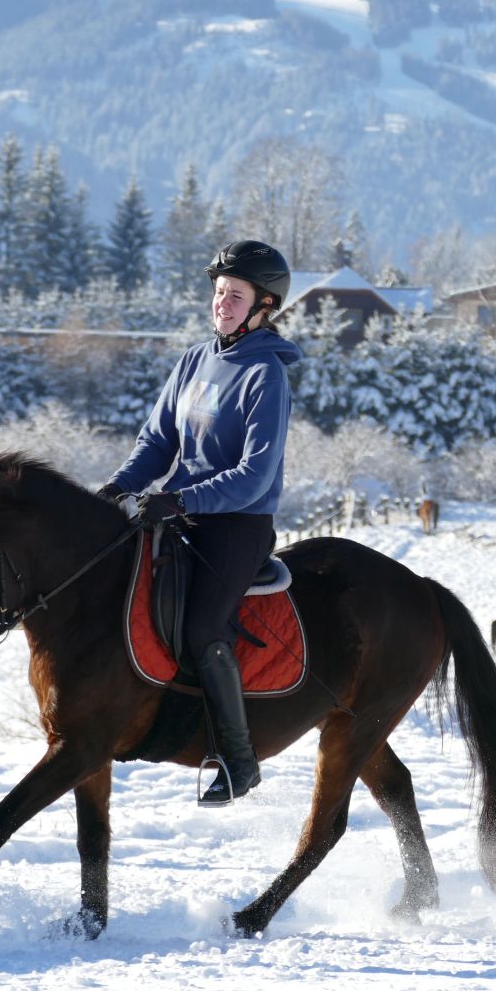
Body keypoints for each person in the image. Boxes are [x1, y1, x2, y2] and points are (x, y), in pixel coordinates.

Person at [98, 240, 302, 806]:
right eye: (218, 292)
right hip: (178, 513)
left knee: (204, 628)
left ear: (264, 305)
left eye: (235, 296)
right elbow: (157, 442)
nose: (222, 304)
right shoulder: (194, 359)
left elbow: (254, 476)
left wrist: (182, 500)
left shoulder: (266, 375)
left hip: (236, 525)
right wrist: (117, 488)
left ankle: (238, 759)